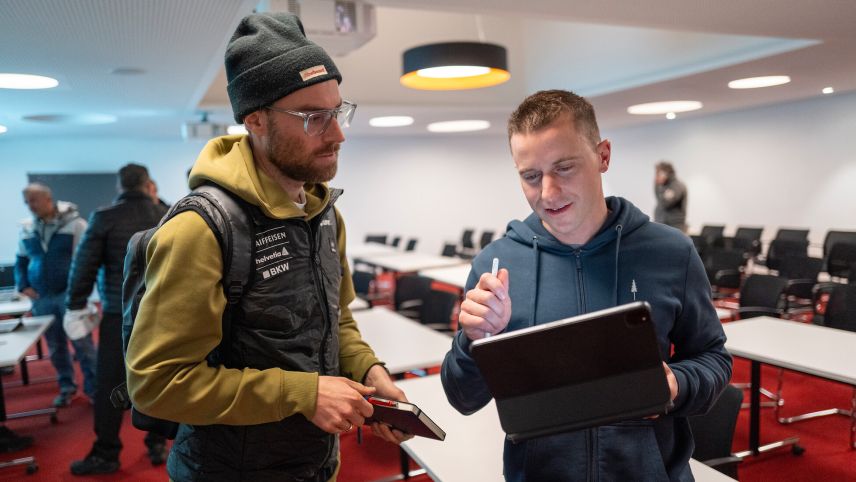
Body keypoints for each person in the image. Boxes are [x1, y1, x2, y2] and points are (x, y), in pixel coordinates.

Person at [125, 12, 410, 481]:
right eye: (313, 117)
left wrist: (367, 372)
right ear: (255, 120)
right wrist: (303, 393)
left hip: (314, 463)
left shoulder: (321, 212)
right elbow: (157, 384)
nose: (338, 134)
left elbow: (335, 320)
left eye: (337, 112)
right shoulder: (201, 229)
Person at [441, 90, 731, 481]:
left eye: (564, 168)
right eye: (530, 176)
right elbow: (462, 398)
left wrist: (675, 385)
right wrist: (471, 340)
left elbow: (713, 358)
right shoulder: (497, 265)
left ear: (603, 156)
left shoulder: (670, 252)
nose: (547, 193)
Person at [64, 164, 169, 475]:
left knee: (110, 384)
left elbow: (83, 266)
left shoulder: (105, 217)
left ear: (120, 186)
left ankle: (107, 452)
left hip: (118, 314)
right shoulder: (169, 213)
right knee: (162, 377)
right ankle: (158, 441)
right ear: (148, 183)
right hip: (163, 313)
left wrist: (75, 304)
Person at [15, 183, 97, 408]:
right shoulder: (27, 229)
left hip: (70, 297)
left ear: (48, 199)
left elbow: (87, 260)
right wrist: (23, 285)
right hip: (41, 297)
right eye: (27, 202)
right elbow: (21, 261)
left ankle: (95, 390)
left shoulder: (75, 225)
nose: (30, 206)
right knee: (55, 347)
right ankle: (67, 387)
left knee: (83, 344)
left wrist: (82, 290)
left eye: (34, 200)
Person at [654, 161, 688, 232]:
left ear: (665, 173)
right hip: (663, 227)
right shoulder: (663, 186)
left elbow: (665, 203)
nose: (656, 177)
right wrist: (657, 184)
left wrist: (658, 185)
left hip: (674, 228)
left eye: (658, 173)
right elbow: (659, 200)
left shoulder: (677, 186)